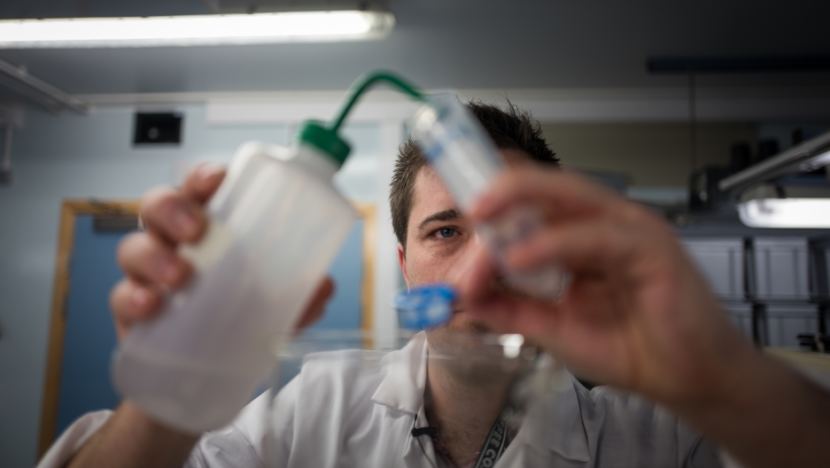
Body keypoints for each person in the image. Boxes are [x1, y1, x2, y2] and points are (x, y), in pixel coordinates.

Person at [40, 103, 830, 468]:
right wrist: (175, 388)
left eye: (514, 232)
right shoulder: (308, 417)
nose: (480, 273)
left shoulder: (661, 438)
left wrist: (724, 378)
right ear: (405, 259)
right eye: (446, 231)